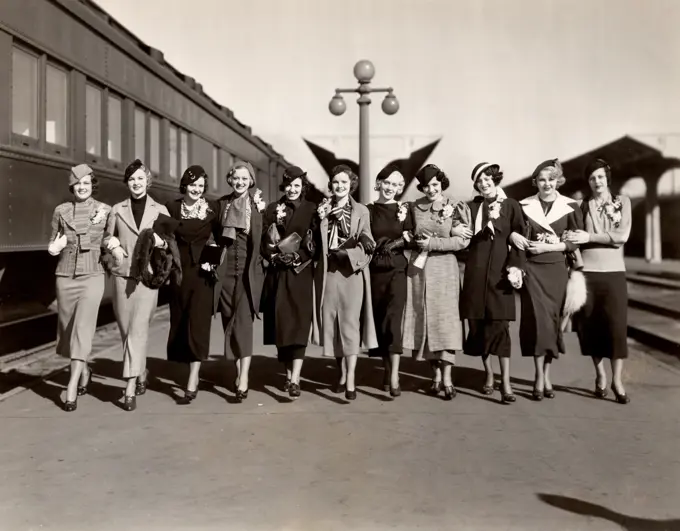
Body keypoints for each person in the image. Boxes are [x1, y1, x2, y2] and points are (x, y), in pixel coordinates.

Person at [510, 159, 584, 401]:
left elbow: (575, 240)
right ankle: (539, 377)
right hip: (533, 271)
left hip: (556, 271)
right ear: (536, 182)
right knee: (538, 324)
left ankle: (547, 374)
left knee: (552, 325)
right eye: (542, 179)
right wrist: (518, 262)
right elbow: (518, 239)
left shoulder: (570, 206)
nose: (547, 184)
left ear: (558, 181)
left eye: (551, 179)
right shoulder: (525, 206)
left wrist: (553, 246)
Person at [103, 159, 170, 411]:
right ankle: (141, 372)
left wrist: (160, 243)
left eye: (140, 179)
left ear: (147, 181)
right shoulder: (117, 209)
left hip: (148, 278)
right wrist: (114, 245)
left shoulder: (160, 209)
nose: (136, 183)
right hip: (122, 277)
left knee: (137, 330)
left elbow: (169, 243)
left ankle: (129, 388)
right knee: (125, 330)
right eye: (131, 179)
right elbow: (107, 236)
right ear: (127, 183)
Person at [565, 158, 632, 404]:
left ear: (607, 178)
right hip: (589, 274)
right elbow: (574, 238)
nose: (597, 182)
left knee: (616, 327)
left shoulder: (622, 202)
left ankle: (617, 380)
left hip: (614, 273)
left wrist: (589, 236)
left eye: (601, 177)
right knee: (592, 328)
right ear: (588, 182)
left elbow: (621, 235)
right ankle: (600, 375)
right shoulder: (582, 206)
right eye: (592, 178)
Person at [402, 164, 471, 400]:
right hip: (420, 271)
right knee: (425, 321)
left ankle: (448, 377)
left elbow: (463, 242)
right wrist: (412, 239)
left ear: (441, 183)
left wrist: (434, 244)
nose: (431, 189)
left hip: (445, 270)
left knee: (446, 322)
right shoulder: (414, 207)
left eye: (435, 184)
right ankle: (435, 376)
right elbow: (409, 235)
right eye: (426, 186)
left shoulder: (455, 206)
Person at [460, 162, 525, 403]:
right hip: (475, 275)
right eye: (479, 181)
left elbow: (519, 238)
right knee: (478, 327)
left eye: (488, 179)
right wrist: (457, 229)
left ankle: (506, 382)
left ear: (495, 179)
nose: (484, 184)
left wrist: (516, 266)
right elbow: (458, 231)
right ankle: (488, 375)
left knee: (500, 328)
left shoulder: (511, 206)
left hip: (499, 276)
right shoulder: (471, 206)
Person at [48, 164, 110, 412]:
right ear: (72, 187)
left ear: (91, 185)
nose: (82, 188)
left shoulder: (104, 210)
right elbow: (53, 240)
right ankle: (84, 369)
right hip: (65, 276)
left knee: (82, 329)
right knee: (67, 329)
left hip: (92, 275)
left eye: (86, 183)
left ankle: (71, 385)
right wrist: (54, 247)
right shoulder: (61, 210)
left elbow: (108, 236)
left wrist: (113, 244)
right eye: (77, 184)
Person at [317, 164, 377, 401]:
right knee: (333, 325)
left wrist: (350, 255)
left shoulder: (361, 210)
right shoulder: (322, 208)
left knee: (350, 325)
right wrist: (321, 220)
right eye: (335, 182)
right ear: (330, 185)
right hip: (330, 273)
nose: (340, 186)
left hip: (351, 274)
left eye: (344, 182)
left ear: (351, 184)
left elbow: (368, 243)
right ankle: (341, 373)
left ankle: (351, 379)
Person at [260, 166, 320, 398]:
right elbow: (264, 236)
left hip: (300, 274)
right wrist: (272, 254)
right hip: (277, 274)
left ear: (302, 187)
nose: (293, 190)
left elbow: (314, 243)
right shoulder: (274, 209)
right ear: (284, 186)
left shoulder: (311, 209)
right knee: (281, 326)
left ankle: (295, 378)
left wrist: (299, 256)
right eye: (289, 185)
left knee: (298, 325)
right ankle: (287, 374)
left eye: (297, 186)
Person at [165, 165, 220, 403]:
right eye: (192, 185)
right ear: (184, 186)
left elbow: (219, 239)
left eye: (200, 185)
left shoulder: (212, 209)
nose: (196, 189)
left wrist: (211, 263)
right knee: (180, 321)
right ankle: (187, 366)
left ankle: (193, 378)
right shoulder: (172, 207)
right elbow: (163, 237)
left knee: (198, 324)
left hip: (202, 274)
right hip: (179, 274)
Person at [213, 160, 265, 402]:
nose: (240, 182)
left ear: (251, 181)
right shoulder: (221, 204)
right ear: (230, 180)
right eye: (237, 178)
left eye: (245, 179)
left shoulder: (257, 206)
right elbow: (213, 237)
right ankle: (237, 371)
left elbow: (264, 240)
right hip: (225, 273)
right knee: (228, 321)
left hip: (247, 273)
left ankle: (243, 378)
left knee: (243, 323)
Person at [366, 164, 413, 396]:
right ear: (379, 183)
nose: (391, 188)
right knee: (380, 322)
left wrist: (400, 242)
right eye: (387, 183)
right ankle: (386, 369)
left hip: (396, 270)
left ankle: (394, 375)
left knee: (393, 321)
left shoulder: (405, 210)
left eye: (396, 185)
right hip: (374, 272)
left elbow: (413, 236)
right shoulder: (368, 210)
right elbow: (361, 235)